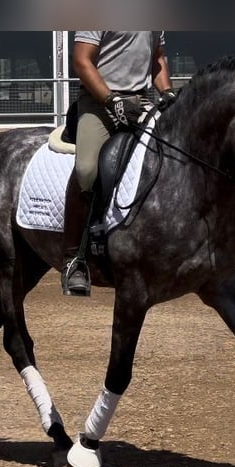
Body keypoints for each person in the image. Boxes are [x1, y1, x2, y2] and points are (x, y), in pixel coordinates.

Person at [61, 31, 177, 297]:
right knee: (87, 170)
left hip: (140, 101)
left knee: (174, 153)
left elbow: (157, 59)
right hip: (99, 103)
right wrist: (112, 100)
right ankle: (74, 259)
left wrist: (168, 92)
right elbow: (81, 61)